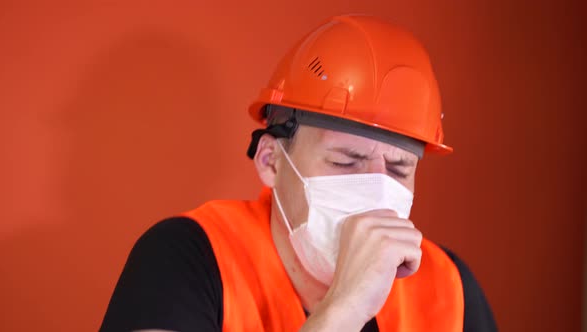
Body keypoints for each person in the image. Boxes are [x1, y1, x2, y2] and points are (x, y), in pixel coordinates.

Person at [100, 14, 497, 332]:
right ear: (271, 160)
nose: (377, 189)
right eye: (345, 161)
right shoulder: (190, 256)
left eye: (399, 168)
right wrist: (343, 309)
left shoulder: (448, 288)